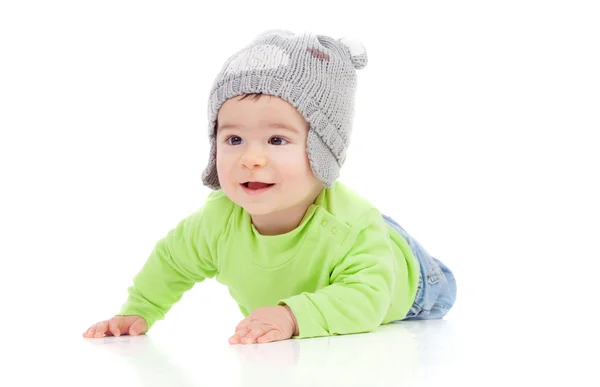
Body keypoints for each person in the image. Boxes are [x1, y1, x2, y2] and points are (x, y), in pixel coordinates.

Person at [82, 29, 457, 345]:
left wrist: (293, 317)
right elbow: (172, 262)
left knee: (429, 288)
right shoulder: (217, 220)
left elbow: (368, 297)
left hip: (412, 280)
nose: (252, 158)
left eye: (277, 140)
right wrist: (139, 310)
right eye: (233, 140)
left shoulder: (353, 227)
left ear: (322, 150)